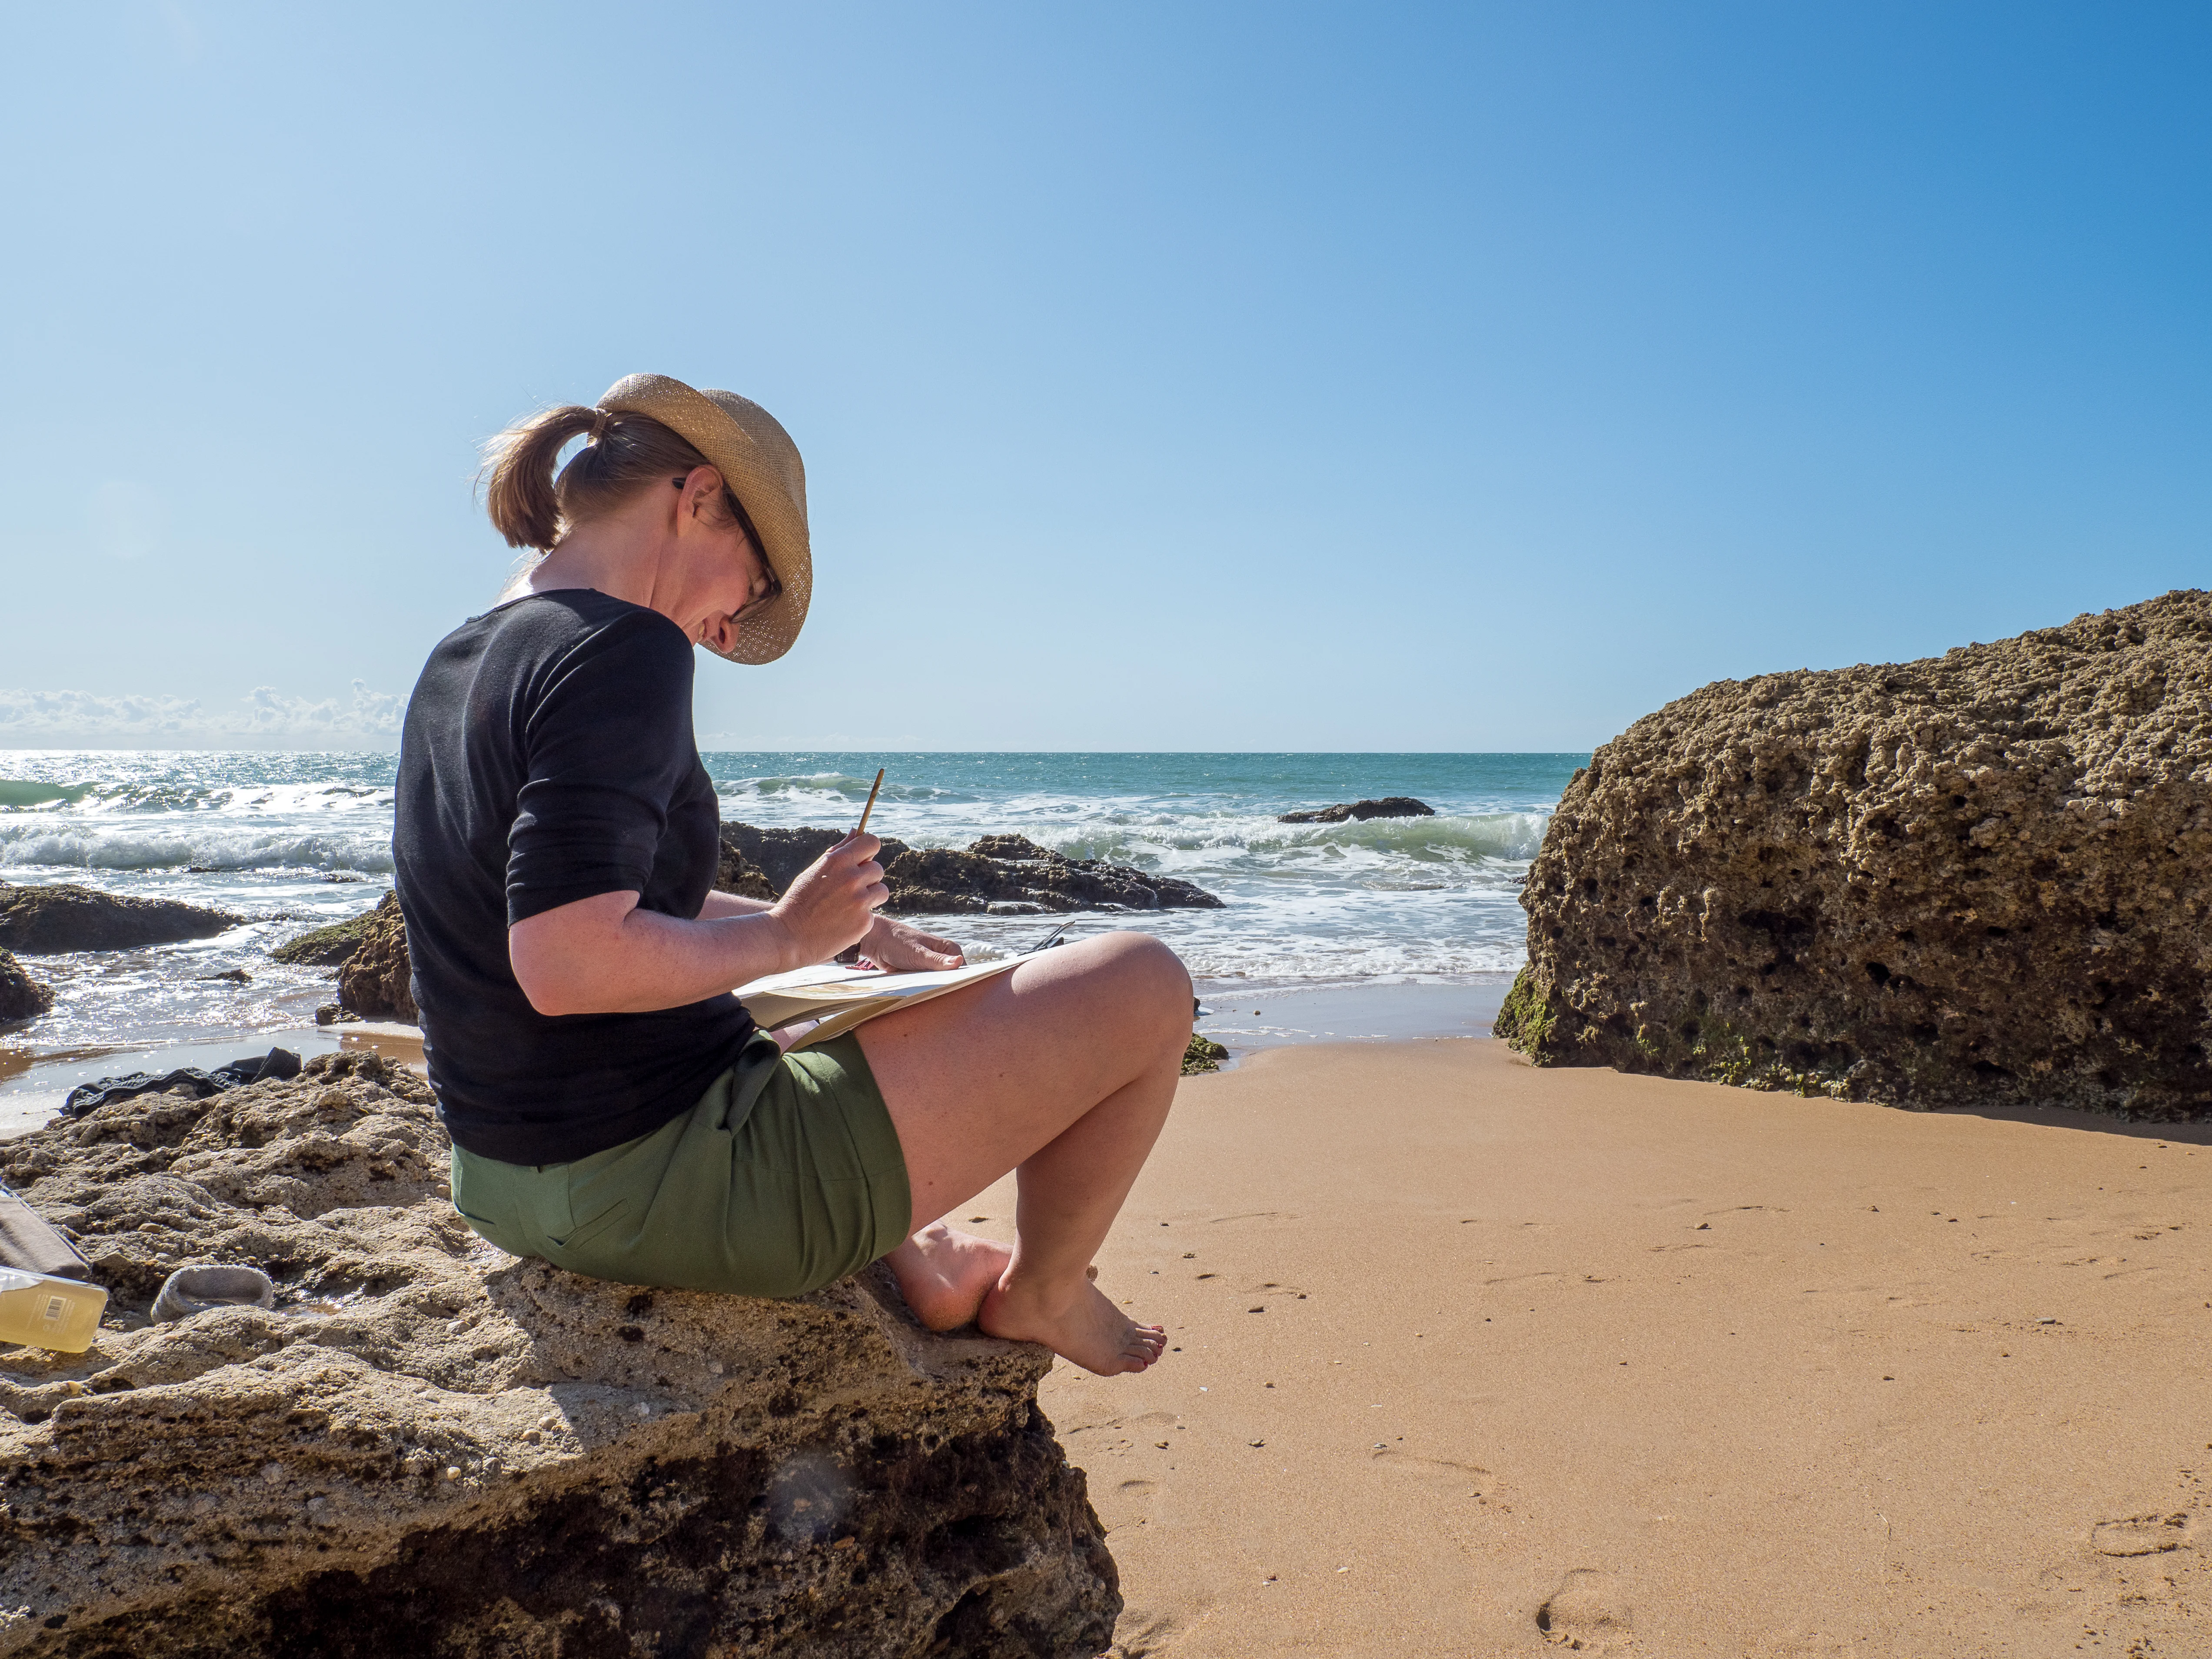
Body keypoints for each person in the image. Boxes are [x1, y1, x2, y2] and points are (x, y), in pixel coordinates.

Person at [393, 373, 1186, 1376]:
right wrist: (787, 939)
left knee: (839, 1005)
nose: (731, 630)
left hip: (506, 1183)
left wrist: (832, 933)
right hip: (650, 1190)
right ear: (700, 498)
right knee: (1146, 983)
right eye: (754, 589)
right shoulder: (621, 648)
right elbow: (567, 961)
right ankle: (1046, 1291)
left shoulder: (465, 654)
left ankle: (932, 1254)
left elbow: (598, 908)